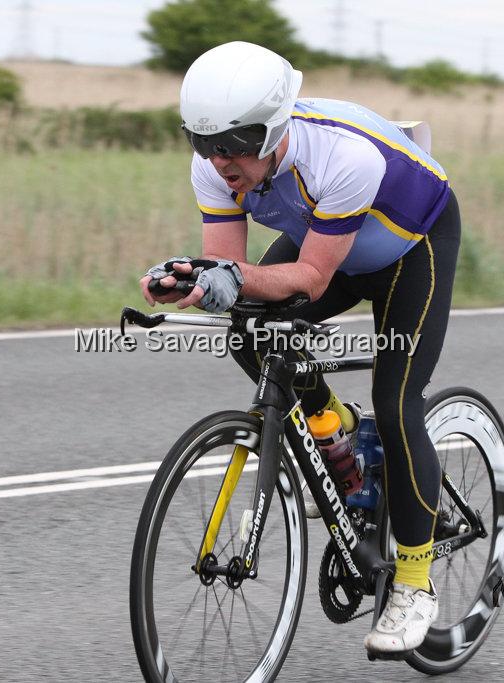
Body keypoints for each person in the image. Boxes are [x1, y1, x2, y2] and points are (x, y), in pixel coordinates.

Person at [139, 40, 461, 654]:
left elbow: (311, 278)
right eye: (204, 142)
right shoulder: (214, 163)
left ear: (275, 129)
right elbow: (232, 275)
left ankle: (415, 584)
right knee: (249, 330)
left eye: (237, 143)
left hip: (408, 251)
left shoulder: (342, 158)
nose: (221, 160)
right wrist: (193, 280)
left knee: (397, 405)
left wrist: (223, 277)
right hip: (331, 242)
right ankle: (332, 431)